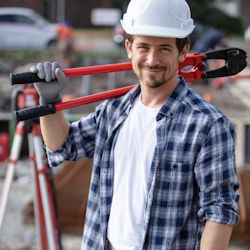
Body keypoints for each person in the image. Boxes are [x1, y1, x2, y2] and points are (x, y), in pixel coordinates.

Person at [31, 0, 240, 249]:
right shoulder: (113, 110)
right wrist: (50, 102)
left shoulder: (208, 126)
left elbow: (219, 211)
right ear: (129, 48)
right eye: (144, 47)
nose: (152, 60)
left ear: (183, 51)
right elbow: (63, 145)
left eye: (164, 48)